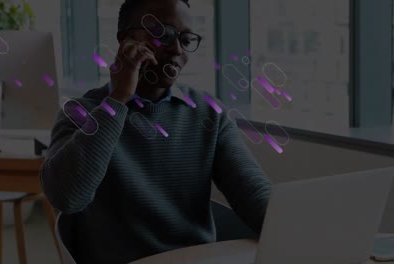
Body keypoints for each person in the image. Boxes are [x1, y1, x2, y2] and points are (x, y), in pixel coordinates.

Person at [40, 0, 271, 263]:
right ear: (126, 39)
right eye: (163, 34)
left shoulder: (208, 114)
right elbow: (67, 198)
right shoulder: (81, 112)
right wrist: (118, 99)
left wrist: (303, 231)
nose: (176, 49)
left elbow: (254, 196)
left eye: (185, 39)